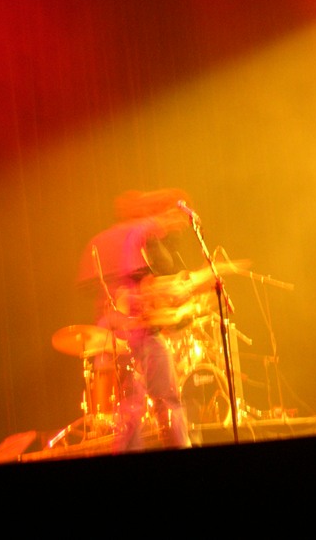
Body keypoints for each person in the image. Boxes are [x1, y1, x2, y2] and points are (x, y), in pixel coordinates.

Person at [77, 188, 231, 452]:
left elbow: (110, 288)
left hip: (122, 332)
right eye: (175, 219)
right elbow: (144, 288)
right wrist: (194, 283)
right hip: (136, 332)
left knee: (133, 408)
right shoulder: (138, 235)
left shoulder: (108, 239)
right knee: (162, 402)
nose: (176, 226)